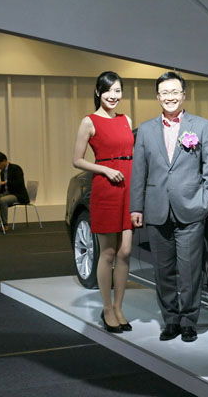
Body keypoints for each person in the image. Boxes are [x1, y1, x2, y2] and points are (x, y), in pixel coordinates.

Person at [129, 71, 208, 342]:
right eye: (164, 93)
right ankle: (170, 320)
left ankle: (189, 321)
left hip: (191, 210)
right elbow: (139, 173)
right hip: (157, 209)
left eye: (174, 92)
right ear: (158, 97)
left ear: (184, 95)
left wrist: (204, 203)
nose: (170, 97)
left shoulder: (201, 126)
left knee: (190, 270)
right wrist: (136, 208)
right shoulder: (146, 130)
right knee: (163, 270)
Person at [72, 71, 134, 333]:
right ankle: (107, 308)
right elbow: (77, 160)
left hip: (128, 188)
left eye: (117, 90)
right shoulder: (89, 121)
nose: (113, 95)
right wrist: (105, 169)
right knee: (107, 252)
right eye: (108, 90)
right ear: (98, 92)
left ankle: (119, 307)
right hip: (106, 189)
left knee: (125, 251)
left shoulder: (126, 119)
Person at [0, 152, 30, 232]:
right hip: (6, 193)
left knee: (3, 200)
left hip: (18, 194)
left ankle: (4, 224)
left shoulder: (16, 168)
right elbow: (4, 188)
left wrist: (5, 182)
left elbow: (19, 183)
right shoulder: (2, 172)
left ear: (4, 161)